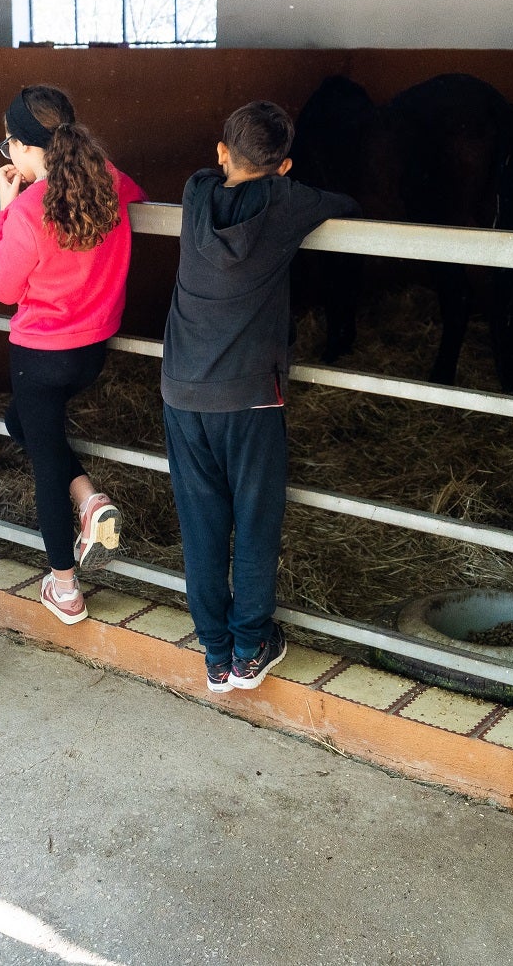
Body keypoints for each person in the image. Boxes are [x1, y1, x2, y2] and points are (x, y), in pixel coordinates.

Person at [160, 102, 355, 694]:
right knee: (255, 518)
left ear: (221, 155)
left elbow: (218, 179)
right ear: (285, 165)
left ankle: (215, 654)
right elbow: (345, 203)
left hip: (183, 391)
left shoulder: (196, 193)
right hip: (250, 397)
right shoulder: (287, 204)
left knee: (201, 524)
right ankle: (251, 646)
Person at [0, 85, 143, 625]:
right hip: (92, 348)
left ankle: (64, 587)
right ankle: (88, 498)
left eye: (9, 146)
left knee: (45, 458)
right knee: (23, 425)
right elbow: (135, 195)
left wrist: (3, 213)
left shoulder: (29, 210)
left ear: (26, 148)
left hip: (39, 353)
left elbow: (3, 288)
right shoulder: (110, 182)